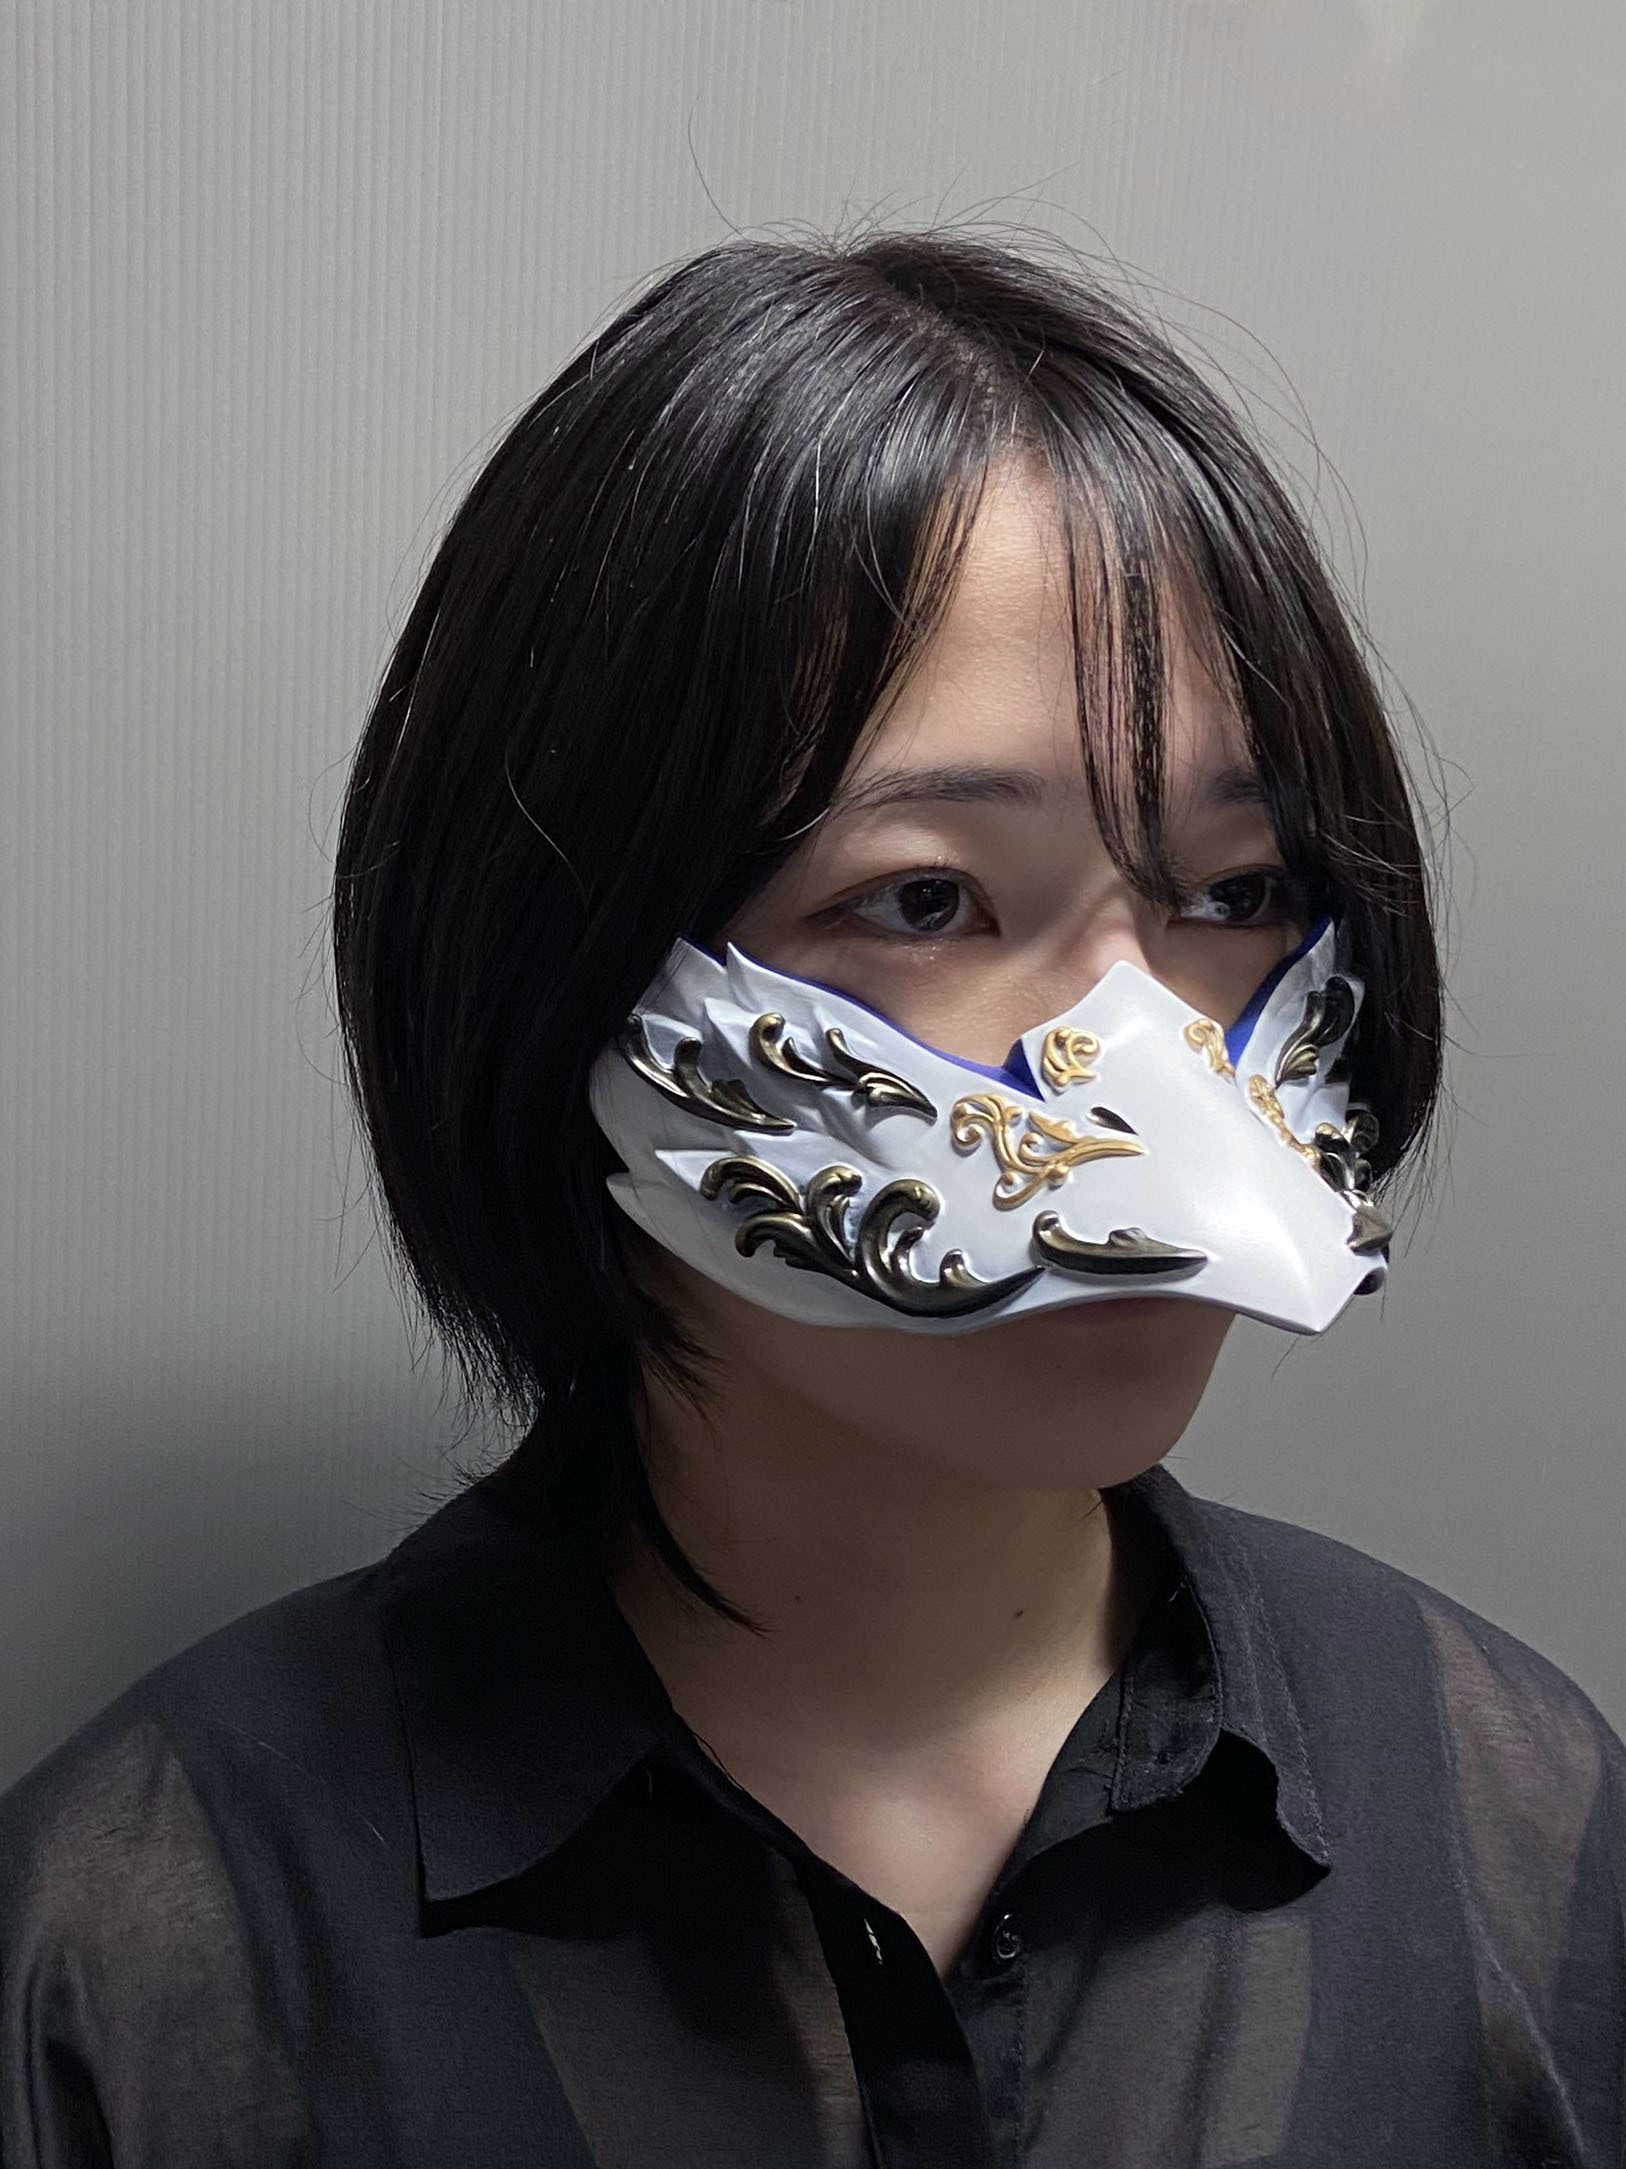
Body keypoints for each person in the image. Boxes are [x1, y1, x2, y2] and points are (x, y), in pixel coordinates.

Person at [1, 229, 1620, 2168]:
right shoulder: (148, 1965)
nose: (1170, 1100)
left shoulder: (1519, 1834)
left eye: (1237, 890)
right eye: (930, 898)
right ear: (559, 957)